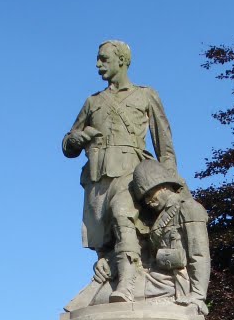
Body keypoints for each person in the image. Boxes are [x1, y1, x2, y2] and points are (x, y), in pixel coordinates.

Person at [62, 40, 178, 302]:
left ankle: (127, 283)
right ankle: (109, 272)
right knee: (105, 240)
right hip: (97, 177)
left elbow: (164, 143)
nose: (98, 65)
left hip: (132, 173)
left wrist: (172, 184)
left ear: (122, 60)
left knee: (122, 213)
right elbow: (68, 145)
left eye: (104, 59)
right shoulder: (93, 102)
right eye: (98, 59)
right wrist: (78, 139)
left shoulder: (145, 95)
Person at [131, 158, 210, 316]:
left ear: (161, 186)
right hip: (158, 277)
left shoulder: (189, 208)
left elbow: (199, 255)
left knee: (127, 293)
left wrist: (197, 296)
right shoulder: (160, 217)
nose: (147, 201)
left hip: (174, 282)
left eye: (148, 194)